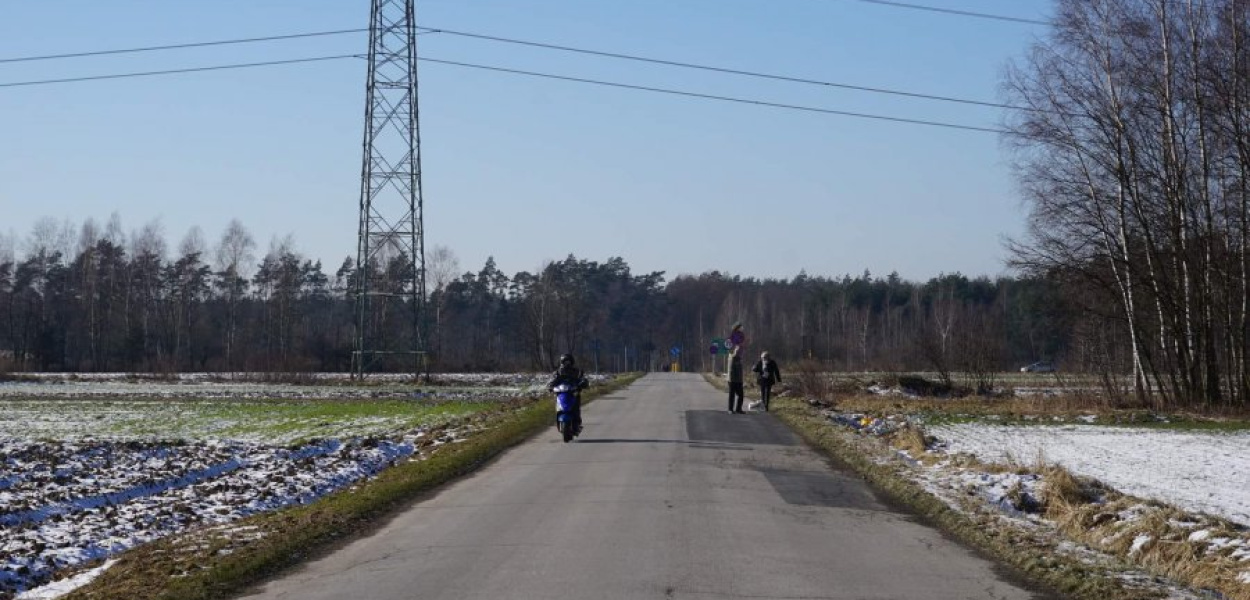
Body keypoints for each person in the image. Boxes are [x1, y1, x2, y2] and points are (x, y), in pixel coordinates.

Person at [548, 353, 589, 433]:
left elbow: (583, 379)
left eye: (568, 362)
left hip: (573, 392)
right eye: (565, 362)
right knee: (558, 404)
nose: (567, 364)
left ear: (572, 362)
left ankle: (577, 422)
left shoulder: (577, 372)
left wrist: (582, 383)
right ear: (561, 362)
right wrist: (550, 386)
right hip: (561, 392)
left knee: (576, 406)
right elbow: (552, 380)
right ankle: (559, 417)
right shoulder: (558, 372)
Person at [727, 346, 745, 414]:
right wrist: (731, 380)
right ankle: (730, 409)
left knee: (741, 395)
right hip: (732, 380)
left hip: (739, 380)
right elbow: (731, 370)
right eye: (738, 351)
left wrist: (741, 380)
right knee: (732, 395)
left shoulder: (739, 359)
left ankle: (738, 409)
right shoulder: (732, 358)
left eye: (741, 351)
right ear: (735, 351)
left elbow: (740, 371)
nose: (740, 352)